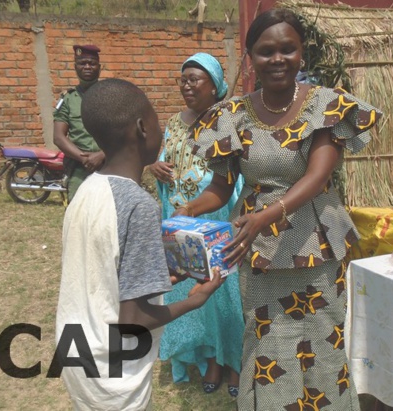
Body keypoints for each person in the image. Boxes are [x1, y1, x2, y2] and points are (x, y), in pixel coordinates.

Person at [176, 9, 383, 410]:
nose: (278, 59)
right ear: (250, 57)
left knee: (323, 339)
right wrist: (191, 208)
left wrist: (267, 215)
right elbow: (221, 187)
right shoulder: (231, 115)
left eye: (288, 49)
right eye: (266, 51)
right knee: (268, 340)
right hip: (260, 253)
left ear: (301, 53)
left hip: (315, 243)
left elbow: (317, 176)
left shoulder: (325, 105)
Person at [55, 78, 223, 411]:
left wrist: (160, 276)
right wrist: (196, 301)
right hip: (113, 370)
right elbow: (133, 320)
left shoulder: (87, 189)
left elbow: (105, 270)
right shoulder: (138, 205)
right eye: (158, 122)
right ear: (143, 128)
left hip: (76, 350)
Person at [148, 53, 244, 397]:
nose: (187, 85)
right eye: (183, 79)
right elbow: (165, 156)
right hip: (178, 219)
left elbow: (235, 173)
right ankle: (209, 357)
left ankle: (233, 362)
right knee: (190, 293)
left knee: (224, 294)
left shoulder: (227, 121)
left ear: (216, 85)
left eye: (195, 79)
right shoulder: (174, 122)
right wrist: (155, 166)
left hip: (215, 218)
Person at [53, 44, 106, 202]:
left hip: (109, 165)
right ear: (75, 67)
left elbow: (124, 133)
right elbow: (58, 137)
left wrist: (102, 154)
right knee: (77, 217)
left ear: (99, 67)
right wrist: (84, 158)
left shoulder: (111, 95)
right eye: (82, 63)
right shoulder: (68, 99)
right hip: (78, 169)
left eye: (92, 63)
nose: (87, 66)